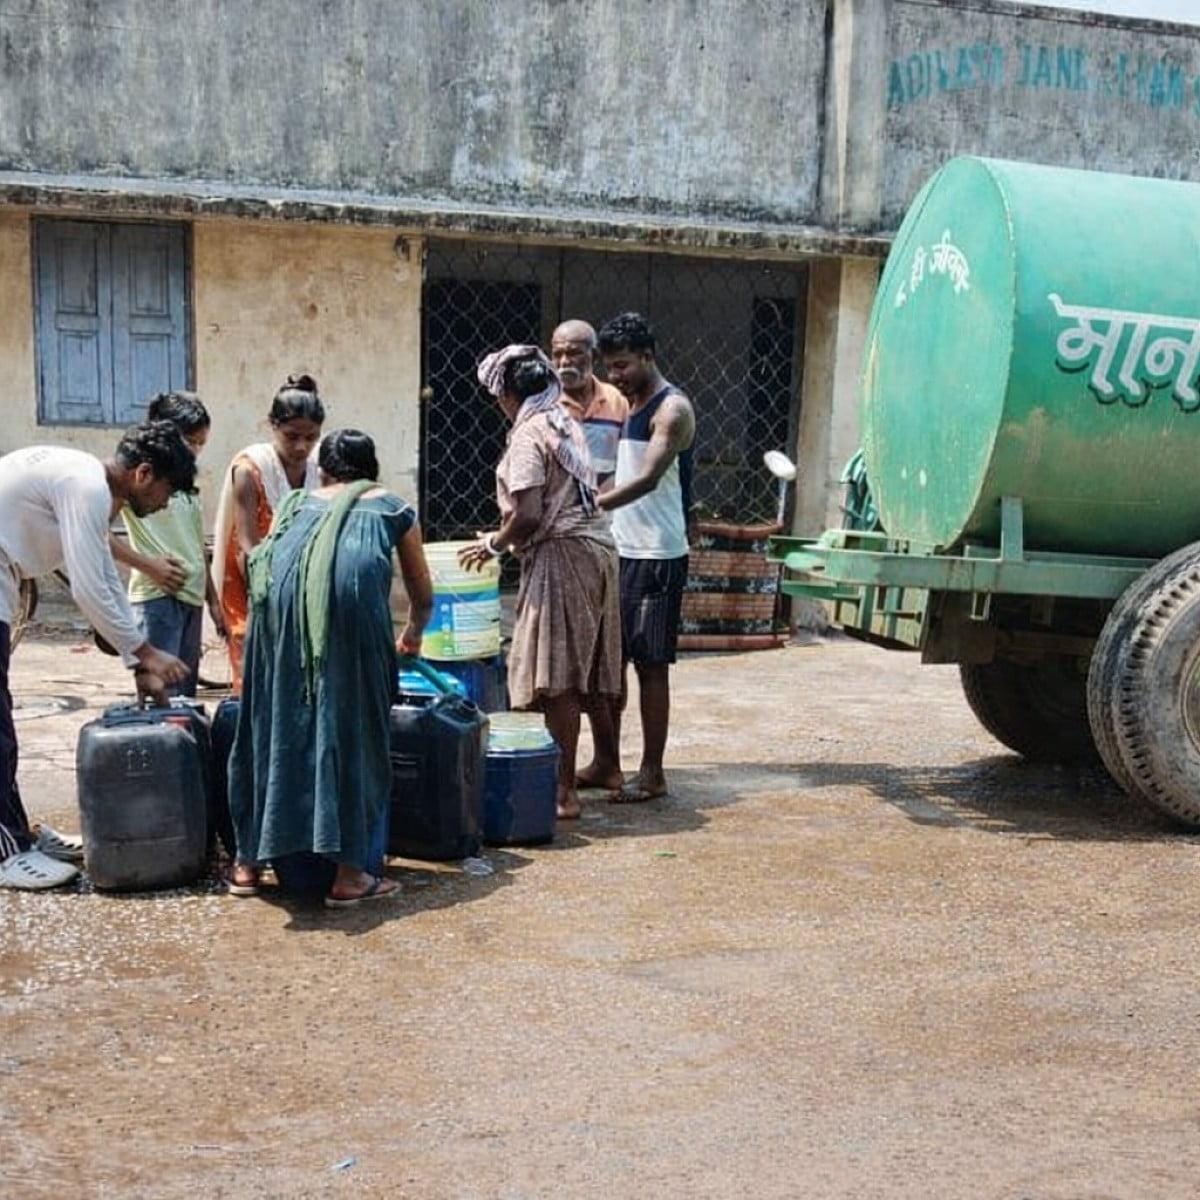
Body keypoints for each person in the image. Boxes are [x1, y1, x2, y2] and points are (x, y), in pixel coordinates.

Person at [226, 428, 433, 906]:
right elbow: (422, 596)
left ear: (322, 473)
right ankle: (350, 876)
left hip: (275, 625)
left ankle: (247, 864)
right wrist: (412, 636)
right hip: (350, 623)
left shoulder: (296, 505)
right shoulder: (391, 507)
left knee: (271, 724)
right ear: (372, 471)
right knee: (354, 733)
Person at [0, 423, 195, 890]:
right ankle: (7, 853)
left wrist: (137, 663)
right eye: (168, 491)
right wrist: (146, 652)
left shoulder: (85, 482)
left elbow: (104, 576)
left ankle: (18, 834)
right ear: (144, 474)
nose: (166, 504)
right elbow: (88, 590)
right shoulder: (86, 486)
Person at [459, 345, 621, 821]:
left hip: (563, 555)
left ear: (506, 395)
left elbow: (529, 513)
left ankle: (563, 792)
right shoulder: (563, 422)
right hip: (595, 548)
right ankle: (604, 767)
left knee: (558, 678)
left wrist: (493, 544)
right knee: (587, 668)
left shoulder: (530, 434)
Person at [591, 312, 696, 803]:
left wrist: (589, 505)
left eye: (622, 365)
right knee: (612, 663)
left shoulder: (671, 409)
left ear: (648, 356)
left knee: (651, 666)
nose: (614, 376)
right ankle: (608, 763)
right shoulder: (630, 404)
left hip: (657, 553)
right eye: (609, 367)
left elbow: (649, 477)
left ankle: (652, 773)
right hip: (622, 548)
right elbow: (624, 472)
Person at [211, 374, 325, 694]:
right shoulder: (250, 470)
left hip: (303, 583)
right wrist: (274, 591)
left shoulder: (321, 466)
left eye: (311, 437)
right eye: (292, 436)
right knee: (255, 669)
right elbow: (247, 543)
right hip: (252, 582)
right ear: (272, 425)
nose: (301, 446)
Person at [113, 392, 226, 697]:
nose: (195, 450)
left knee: (184, 698)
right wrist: (147, 565)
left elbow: (196, 546)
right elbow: (97, 533)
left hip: (191, 599)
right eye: (189, 441)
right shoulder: (139, 480)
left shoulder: (187, 488)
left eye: (201, 443)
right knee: (161, 697)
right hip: (157, 599)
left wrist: (213, 602)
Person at [550, 319, 630, 491]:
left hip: (609, 503)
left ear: (594, 357)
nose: (564, 362)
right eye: (557, 354)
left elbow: (627, 461)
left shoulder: (616, 400)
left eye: (574, 353)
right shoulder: (544, 404)